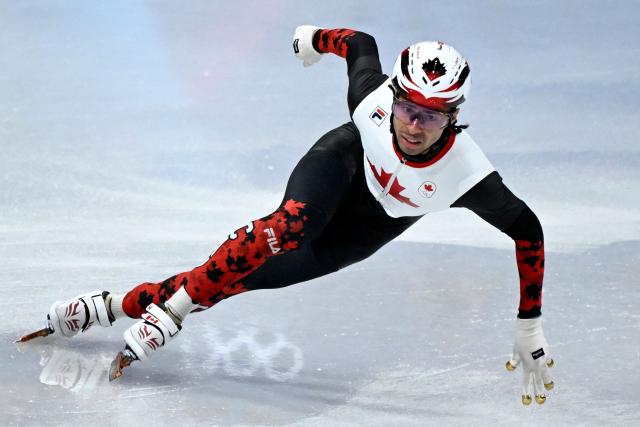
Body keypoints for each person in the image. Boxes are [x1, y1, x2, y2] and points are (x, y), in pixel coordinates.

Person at [27, 25, 554, 404]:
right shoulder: (371, 101)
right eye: (407, 109)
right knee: (289, 224)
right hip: (342, 163)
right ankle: (171, 311)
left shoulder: (467, 174)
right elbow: (358, 44)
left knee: (247, 277)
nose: (414, 127)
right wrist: (311, 38)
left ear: (454, 117)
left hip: (371, 224)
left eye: (432, 117)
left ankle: (113, 304)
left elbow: (527, 231)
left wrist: (529, 322)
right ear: (391, 97)